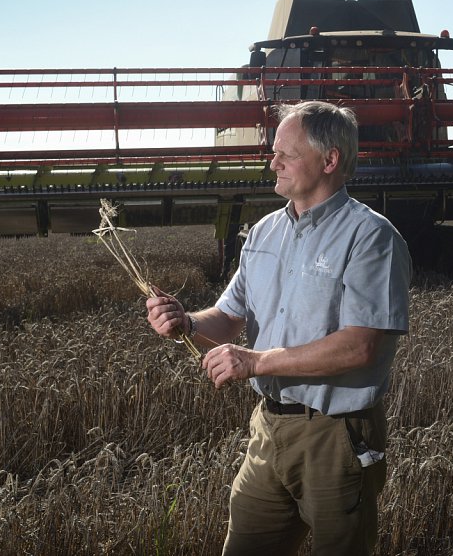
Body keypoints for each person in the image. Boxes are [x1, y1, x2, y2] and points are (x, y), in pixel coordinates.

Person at [146, 100, 412, 555]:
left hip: (336, 436)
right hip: (268, 428)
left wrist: (255, 361)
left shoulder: (371, 237)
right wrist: (186, 322)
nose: (273, 162)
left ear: (330, 160)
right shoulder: (265, 233)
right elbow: (230, 317)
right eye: (275, 152)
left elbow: (359, 347)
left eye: (287, 153)